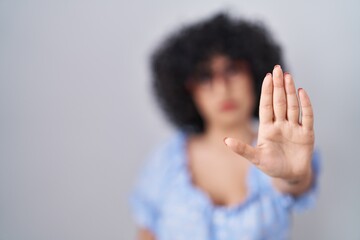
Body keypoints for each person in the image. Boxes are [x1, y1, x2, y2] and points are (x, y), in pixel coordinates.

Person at [129, 12, 321, 240]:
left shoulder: (284, 150)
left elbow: (294, 182)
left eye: (233, 69)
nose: (222, 88)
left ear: (255, 74)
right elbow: (147, 233)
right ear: (187, 88)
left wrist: (293, 177)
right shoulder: (166, 161)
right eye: (204, 76)